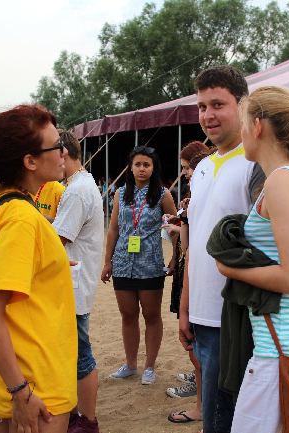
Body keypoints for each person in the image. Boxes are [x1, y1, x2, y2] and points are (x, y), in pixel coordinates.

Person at [212, 86, 289, 433]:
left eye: (242, 121)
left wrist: (230, 268)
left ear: (259, 126)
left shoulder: (282, 181)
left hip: (283, 343)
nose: (239, 131)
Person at [0, 104, 77, 433]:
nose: (64, 151)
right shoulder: (22, 217)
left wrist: (47, 265)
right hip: (31, 375)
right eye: (57, 145)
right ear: (30, 161)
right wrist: (21, 391)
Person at [179, 66, 265, 433]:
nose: (207, 115)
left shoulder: (256, 164)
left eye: (218, 104)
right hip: (201, 312)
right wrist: (185, 305)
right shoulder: (202, 168)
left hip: (235, 314)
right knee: (214, 412)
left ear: (243, 105)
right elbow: (195, 241)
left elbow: (267, 244)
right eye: (201, 106)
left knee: (226, 417)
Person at [101, 146, 177, 386]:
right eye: (138, 164)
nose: (142, 169)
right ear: (131, 167)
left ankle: (150, 366)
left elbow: (175, 227)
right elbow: (113, 228)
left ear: (153, 168)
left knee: (152, 315)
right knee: (128, 315)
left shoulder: (163, 194)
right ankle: (130, 364)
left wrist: (176, 257)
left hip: (150, 264)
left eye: (147, 164)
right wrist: (108, 261)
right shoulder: (120, 193)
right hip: (123, 263)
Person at [52, 130, 104, 433]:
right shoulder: (80, 184)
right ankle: (77, 413)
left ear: (63, 154)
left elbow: (59, 236)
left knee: (80, 353)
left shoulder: (76, 190)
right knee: (73, 352)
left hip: (74, 284)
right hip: (77, 281)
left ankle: (87, 418)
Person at [165, 140, 210, 425]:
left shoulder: (203, 193)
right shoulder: (194, 195)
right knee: (195, 341)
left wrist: (178, 225)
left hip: (197, 271)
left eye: (187, 168)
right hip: (189, 268)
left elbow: (195, 240)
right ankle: (201, 393)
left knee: (197, 342)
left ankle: (201, 404)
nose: (185, 174)